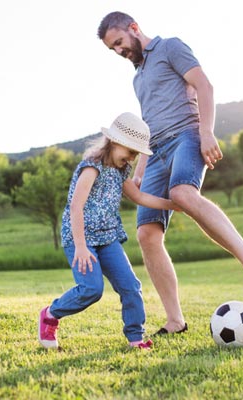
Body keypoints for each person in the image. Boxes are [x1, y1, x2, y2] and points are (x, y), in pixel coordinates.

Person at [97, 12, 243, 335]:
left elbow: (204, 85)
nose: (119, 52)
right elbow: (148, 128)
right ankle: (175, 321)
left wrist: (206, 132)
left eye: (120, 43)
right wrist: (140, 170)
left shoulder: (170, 47)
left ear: (134, 29)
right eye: (113, 50)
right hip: (156, 153)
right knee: (147, 235)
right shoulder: (137, 79)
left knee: (183, 193)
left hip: (186, 135)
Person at [38, 112, 179, 350]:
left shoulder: (121, 171)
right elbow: (76, 207)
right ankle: (51, 314)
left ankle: (136, 339)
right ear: (115, 142)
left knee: (131, 286)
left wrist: (174, 204)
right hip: (81, 238)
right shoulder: (92, 167)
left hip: (108, 238)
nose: (133, 158)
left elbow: (139, 196)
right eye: (131, 151)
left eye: (136, 154)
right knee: (91, 290)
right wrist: (81, 247)